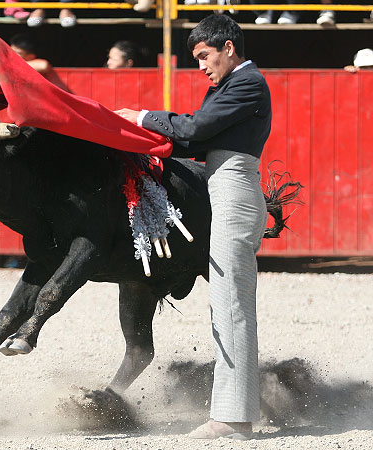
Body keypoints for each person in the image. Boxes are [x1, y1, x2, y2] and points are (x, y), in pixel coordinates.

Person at [115, 14, 271, 440]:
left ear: (229, 48)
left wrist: (143, 115)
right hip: (224, 186)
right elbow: (192, 142)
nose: (201, 66)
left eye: (205, 56)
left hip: (234, 190)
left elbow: (195, 129)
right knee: (227, 304)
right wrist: (136, 129)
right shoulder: (230, 86)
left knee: (231, 305)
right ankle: (233, 411)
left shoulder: (247, 83)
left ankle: (234, 418)